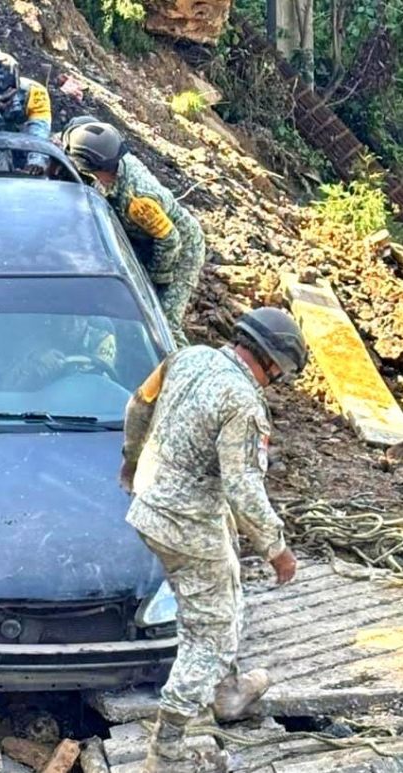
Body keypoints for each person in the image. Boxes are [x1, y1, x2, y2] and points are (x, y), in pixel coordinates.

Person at [119, 307, 308, 772]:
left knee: (220, 592)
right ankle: (166, 751)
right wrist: (276, 547)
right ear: (273, 362)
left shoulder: (186, 357)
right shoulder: (243, 403)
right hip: (187, 525)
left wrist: (130, 462)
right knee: (209, 638)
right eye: (279, 376)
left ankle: (228, 690)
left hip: (150, 503)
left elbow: (138, 405)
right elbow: (243, 486)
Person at [60, 119, 205, 347]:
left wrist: (153, 282)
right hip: (147, 239)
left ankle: (182, 368)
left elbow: (170, 241)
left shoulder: (138, 202)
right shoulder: (111, 157)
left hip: (182, 250)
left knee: (163, 324)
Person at [0, 52, 52, 175]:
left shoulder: (35, 93)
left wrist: (36, 163)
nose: (0, 105)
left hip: (24, 145)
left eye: (5, 100)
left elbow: (39, 130)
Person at [3, 315, 117, 391]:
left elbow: (105, 382)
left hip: (93, 413)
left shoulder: (102, 339)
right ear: (55, 320)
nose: (74, 324)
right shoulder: (37, 341)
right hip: (41, 410)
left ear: (87, 319)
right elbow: (8, 388)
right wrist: (37, 364)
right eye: (67, 318)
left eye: (80, 317)